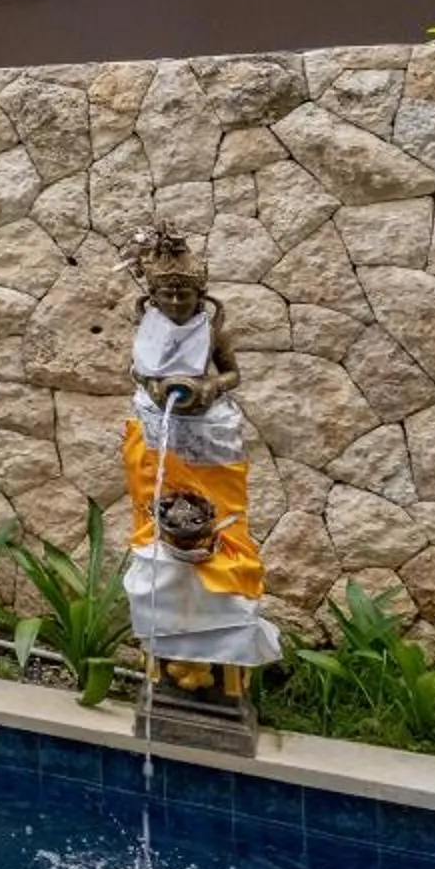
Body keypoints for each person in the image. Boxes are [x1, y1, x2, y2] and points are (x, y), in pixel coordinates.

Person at [120, 222, 281, 694]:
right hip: (157, 424)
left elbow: (232, 374)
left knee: (221, 514)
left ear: (201, 297)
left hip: (206, 425)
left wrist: (210, 386)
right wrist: (148, 384)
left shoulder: (210, 331)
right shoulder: (148, 328)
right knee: (156, 512)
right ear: (152, 297)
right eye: (167, 295)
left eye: (183, 296)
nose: (175, 304)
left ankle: (221, 594)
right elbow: (134, 368)